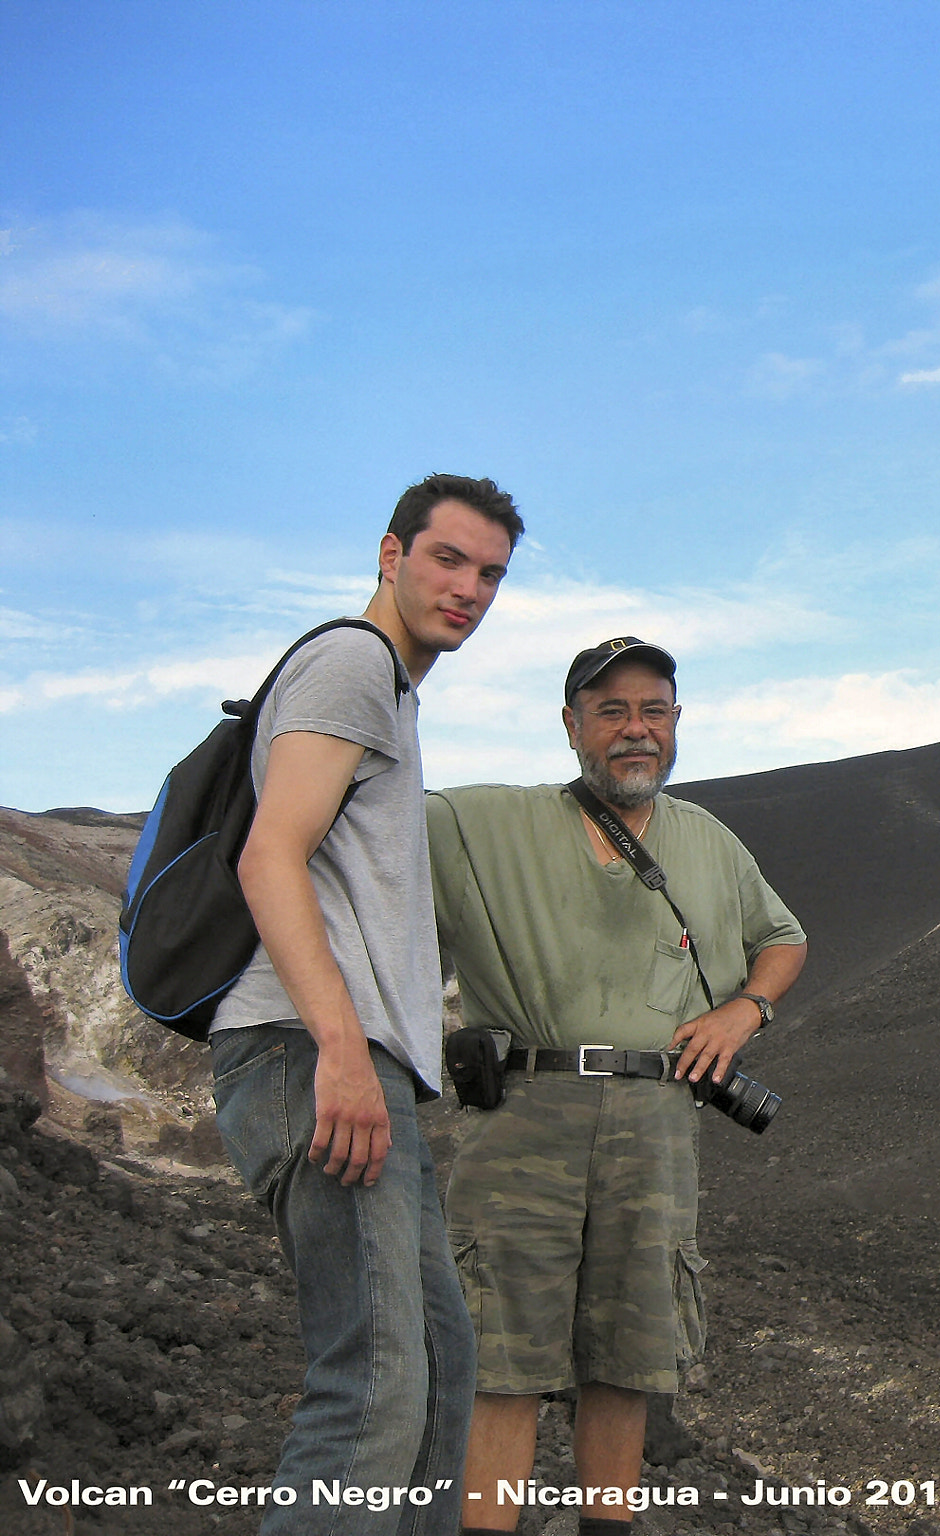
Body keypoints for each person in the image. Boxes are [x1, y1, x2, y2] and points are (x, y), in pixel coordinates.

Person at [426, 637, 806, 1536]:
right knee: (502, 1356)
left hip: (656, 1117)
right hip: (526, 1114)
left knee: (629, 1355)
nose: (636, 731)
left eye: (654, 711)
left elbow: (782, 936)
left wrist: (743, 1012)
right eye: (611, 712)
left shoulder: (709, 840)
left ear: (676, 723)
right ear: (571, 726)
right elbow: (357, 818)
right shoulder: (480, 822)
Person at [209, 473, 522, 1535]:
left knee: (436, 1367)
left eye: (490, 574)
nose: (468, 589)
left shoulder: (392, 686)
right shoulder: (353, 662)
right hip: (310, 1052)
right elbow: (270, 856)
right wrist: (342, 1049)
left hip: (359, 1060)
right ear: (391, 555)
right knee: (376, 1392)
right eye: (448, 559)